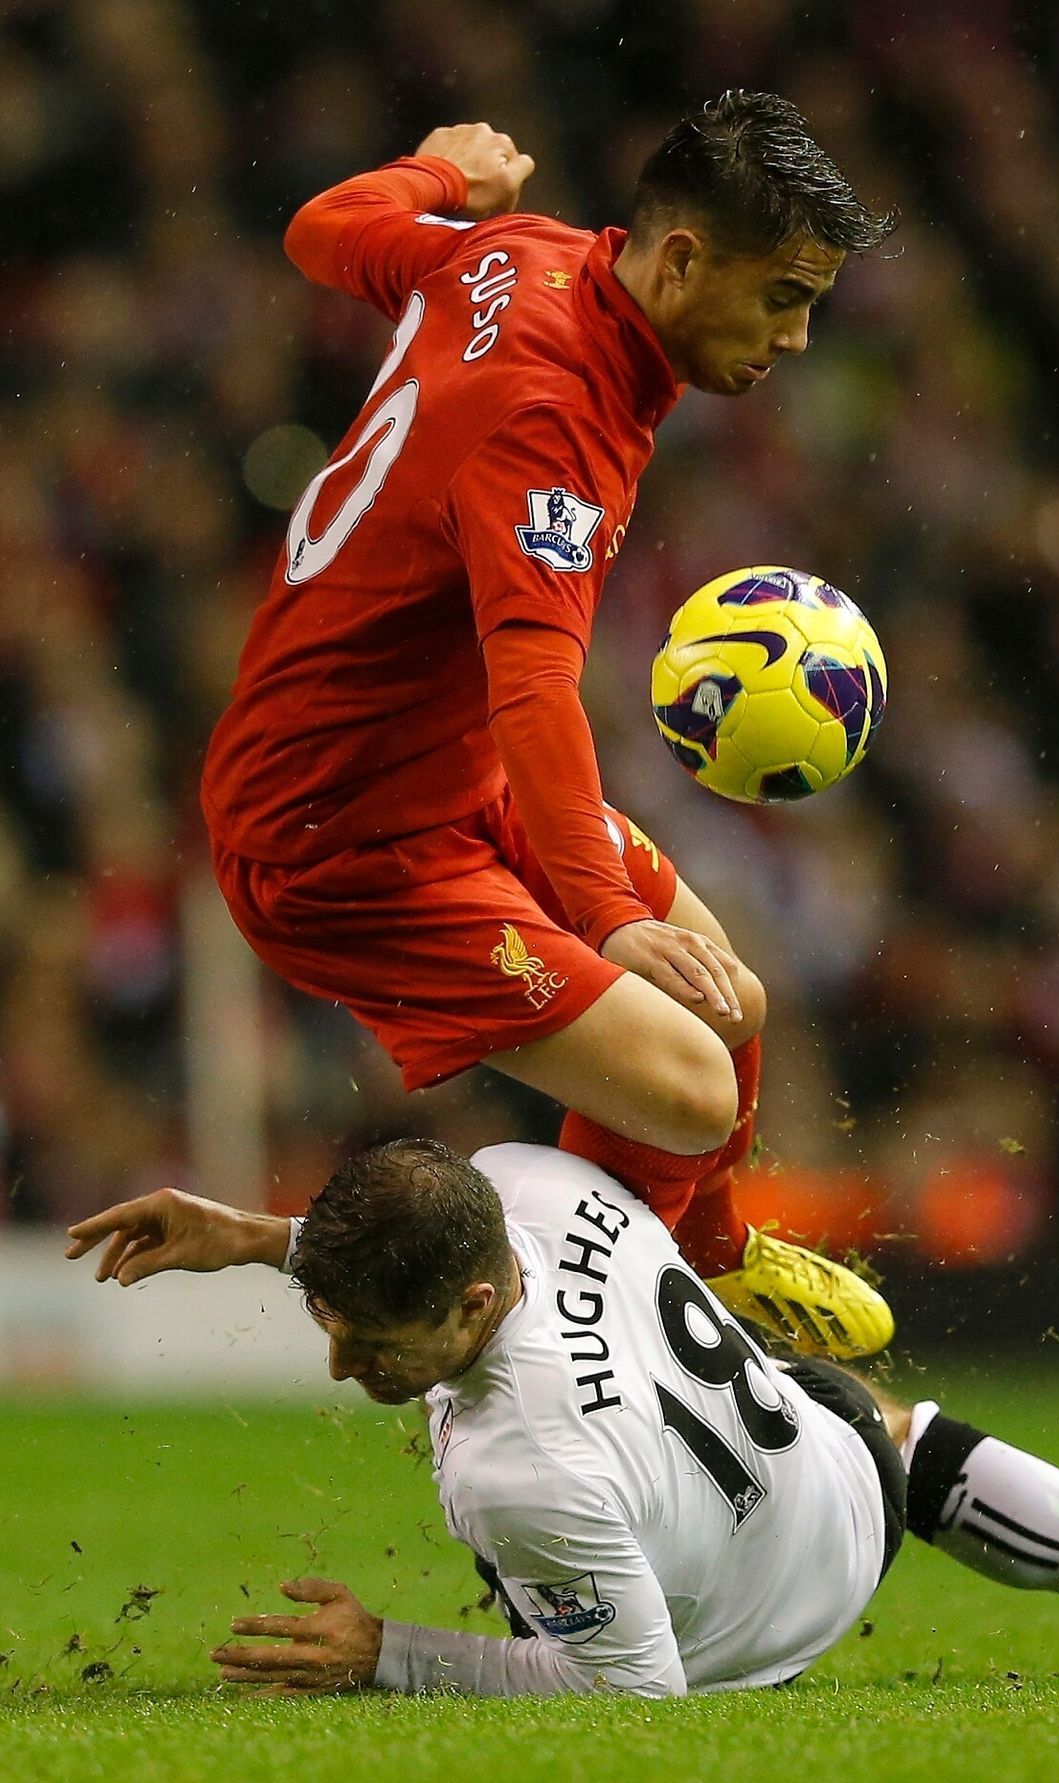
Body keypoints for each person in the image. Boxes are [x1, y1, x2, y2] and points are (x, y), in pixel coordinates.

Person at [199, 89, 898, 1360]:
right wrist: (603, 914)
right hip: (336, 840)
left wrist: (429, 175)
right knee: (687, 1086)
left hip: (432, 774)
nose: (795, 339)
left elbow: (317, 230)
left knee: (729, 1005)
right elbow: (533, 683)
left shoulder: (521, 253)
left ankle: (707, 1261)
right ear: (680, 257)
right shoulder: (554, 419)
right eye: (783, 296)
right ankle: (568, 1355)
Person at [66, 1142, 1059, 1696]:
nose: (343, 1359)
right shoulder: (525, 1178)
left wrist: (391, 1655)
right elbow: (416, 1231)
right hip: (828, 1470)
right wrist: (261, 1234)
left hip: (746, 1632)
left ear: (474, 1302)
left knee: (579, 1587)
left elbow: (635, 1696)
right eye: (329, 1315)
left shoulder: (516, 1469)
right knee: (885, 1423)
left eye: (375, 1337)